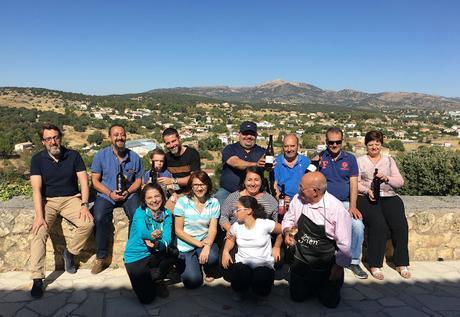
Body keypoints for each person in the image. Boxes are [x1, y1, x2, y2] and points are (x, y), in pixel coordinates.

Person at [29, 124, 94, 298]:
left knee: (88, 224)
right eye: (48, 139)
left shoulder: (73, 155)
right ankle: (37, 278)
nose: (53, 141)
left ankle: (70, 253)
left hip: (71, 198)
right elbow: (36, 189)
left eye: (56, 137)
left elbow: (83, 181)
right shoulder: (37, 159)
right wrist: (39, 216)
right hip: (47, 201)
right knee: (38, 232)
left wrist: (84, 204)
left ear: (60, 138)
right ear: (43, 142)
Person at [282, 172, 351, 308]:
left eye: (302, 187)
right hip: (302, 259)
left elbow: (344, 243)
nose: (299, 189)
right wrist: (287, 232)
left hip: (325, 263)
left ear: (315, 191)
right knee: (297, 297)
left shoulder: (336, 208)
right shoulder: (298, 199)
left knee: (330, 303)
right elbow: (288, 219)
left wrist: (339, 266)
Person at [91, 124, 144, 274]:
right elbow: (95, 181)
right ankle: (101, 257)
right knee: (100, 217)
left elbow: (139, 180)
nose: (120, 137)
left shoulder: (134, 157)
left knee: (137, 216)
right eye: (116, 134)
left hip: (129, 194)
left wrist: (128, 191)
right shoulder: (101, 156)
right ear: (110, 137)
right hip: (106, 194)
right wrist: (109, 193)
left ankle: (131, 254)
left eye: (122, 134)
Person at [357, 131, 410, 280]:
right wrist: (367, 190)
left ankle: (401, 263)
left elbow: (400, 182)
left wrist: (386, 178)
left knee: (400, 226)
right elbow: (355, 183)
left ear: (381, 145)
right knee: (378, 225)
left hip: (389, 197)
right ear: (366, 146)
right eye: (371, 144)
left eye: (377, 144)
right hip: (367, 197)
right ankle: (375, 264)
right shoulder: (360, 161)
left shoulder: (389, 160)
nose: (374, 147)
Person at [317, 127, 367, 279]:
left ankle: (353, 261)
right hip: (326, 202)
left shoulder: (350, 159)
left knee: (358, 226)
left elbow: (353, 184)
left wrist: (353, 206)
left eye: (337, 142)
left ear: (342, 141)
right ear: (326, 142)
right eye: (331, 142)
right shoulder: (320, 157)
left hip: (345, 202)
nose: (334, 145)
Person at [222, 196, 282, 301]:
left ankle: (257, 287)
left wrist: (276, 246)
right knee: (240, 273)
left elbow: (282, 230)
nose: (235, 212)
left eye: (238, 209)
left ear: (249, 210)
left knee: (261, 284)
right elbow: (231, 239)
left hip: (263, 264)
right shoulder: (236, 225)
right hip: (243, 262)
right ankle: (241, 289)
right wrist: (226, 251)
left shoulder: (264, 224)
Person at [124, 183, 176, 303]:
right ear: (144, 200)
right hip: (136, 257)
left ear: (162, 197)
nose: (154, 200)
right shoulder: (140, 212)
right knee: (147, 299)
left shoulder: (167, 214)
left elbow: (167, 237)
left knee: (174, 253)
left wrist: (159, 244)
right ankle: (147, 279)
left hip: (153, 252)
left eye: (157, 196)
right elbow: (143, 231)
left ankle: (156, 280)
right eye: (149, 198)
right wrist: (151, 236)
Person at [219, 167, 282, 263]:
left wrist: (276, 247)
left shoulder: (270, 200)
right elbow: (223, 217)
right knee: (227, 263)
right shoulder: (233, 197)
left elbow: (278, 224)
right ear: (244, 181)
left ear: (261, 181)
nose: (253, 184)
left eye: (256, 180)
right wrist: (229, 229)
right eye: (249, 180)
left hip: (262, 241)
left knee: (277, 260)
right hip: (236, 238)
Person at [174, 171, 220, 288]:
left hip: (205, 240)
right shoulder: (182, 202)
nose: (199, 188)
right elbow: (178, 231)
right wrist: (200, 245)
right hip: (186, 244)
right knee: (192, 282)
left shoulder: (213, 202)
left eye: (202, 184)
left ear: (208, 185)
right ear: (191, 186)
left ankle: (205, 266)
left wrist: (207, 246)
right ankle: (188, 264)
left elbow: (213, 229)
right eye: (196, 185)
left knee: (212, 258)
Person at [214, 121, 266, 204]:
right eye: (245, 133)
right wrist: (256, 164)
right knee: (217, 208)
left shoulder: (262, 152)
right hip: (227, 192)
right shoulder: (230, 148)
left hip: (254, 193)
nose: (248, 136)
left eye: (252, 134)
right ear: (239, 134)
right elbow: (234, 162)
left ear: (256, 136)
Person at [161, 127, 201, 210]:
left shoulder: (192, 154)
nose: (172, 145)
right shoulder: (166, 158)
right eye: (168, 143)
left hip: (193, 192)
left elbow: (194, 178)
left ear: (179, 139)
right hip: (175, 193)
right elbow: (162, 178)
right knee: (166, 215)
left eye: (173, 141)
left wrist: (173, 181)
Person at [273, 133, 312, 210]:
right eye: (286, 146)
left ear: (298, 146)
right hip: (283, 204)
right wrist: (280, 198)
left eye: (292, 146)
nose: (289, 149)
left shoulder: (305, 161)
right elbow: (274, 185)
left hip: (302, 203)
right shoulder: (276, 162)